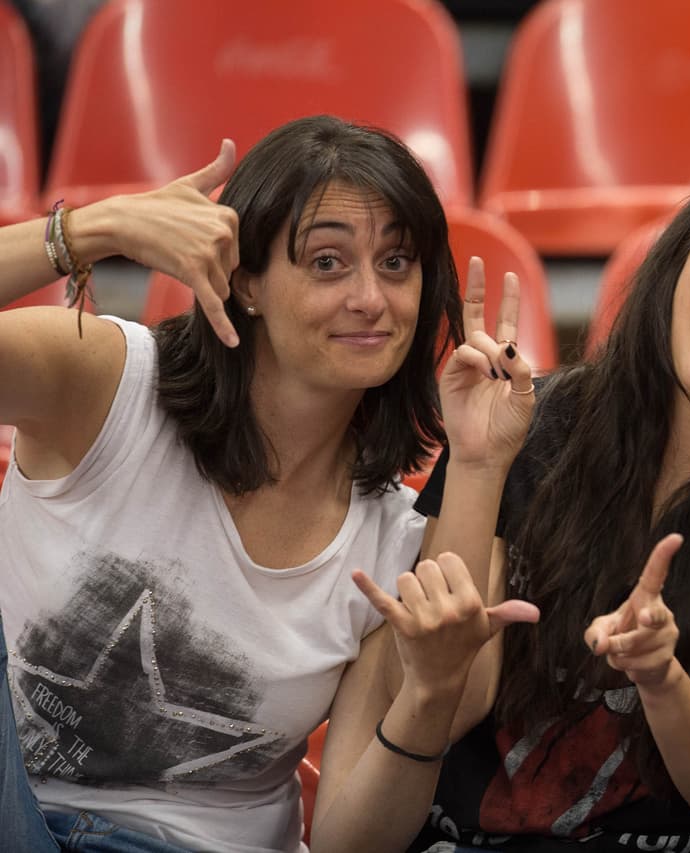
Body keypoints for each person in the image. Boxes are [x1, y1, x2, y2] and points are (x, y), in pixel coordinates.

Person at [316, 149, 690, 852]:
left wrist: (662, 680)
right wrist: (479, 467)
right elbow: (454, 698)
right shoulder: (528, 423)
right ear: (682, 259)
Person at [0, 114, 526, 853]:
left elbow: (353, 839)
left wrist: (476, 463)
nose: (371, 298)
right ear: (245, 281)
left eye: (397, 262)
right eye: (327, 263)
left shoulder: (397, 540)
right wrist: (93, 229)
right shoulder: (107, 383)